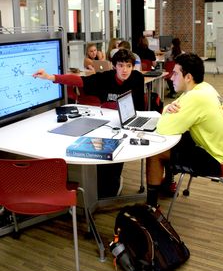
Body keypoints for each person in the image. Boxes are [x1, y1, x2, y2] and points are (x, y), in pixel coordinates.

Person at [33, 49, 145, 198]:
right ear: (114, 66)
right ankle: (103, 188)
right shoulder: (105, 78)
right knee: (100, 154)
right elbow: (79, 81)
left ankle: (112, 185)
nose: (125, 70)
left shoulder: (137, 78)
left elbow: (140, 107)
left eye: (128, 66)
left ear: (133, 67)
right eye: (120, 65)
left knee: (117, 158)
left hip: (127, 124)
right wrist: (50, 77)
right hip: (106, 123)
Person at [146, 53, 223, 207]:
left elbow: (163, 128)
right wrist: (168, 107)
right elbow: (175, 105)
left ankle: (151, 207)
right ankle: (168, 184)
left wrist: (166, 110)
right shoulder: (204, 87)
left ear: (188, 77)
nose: (171, 78)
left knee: (156, 151)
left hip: (216, 160)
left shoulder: (195, 98)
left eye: (175, 73)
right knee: (178, 137)